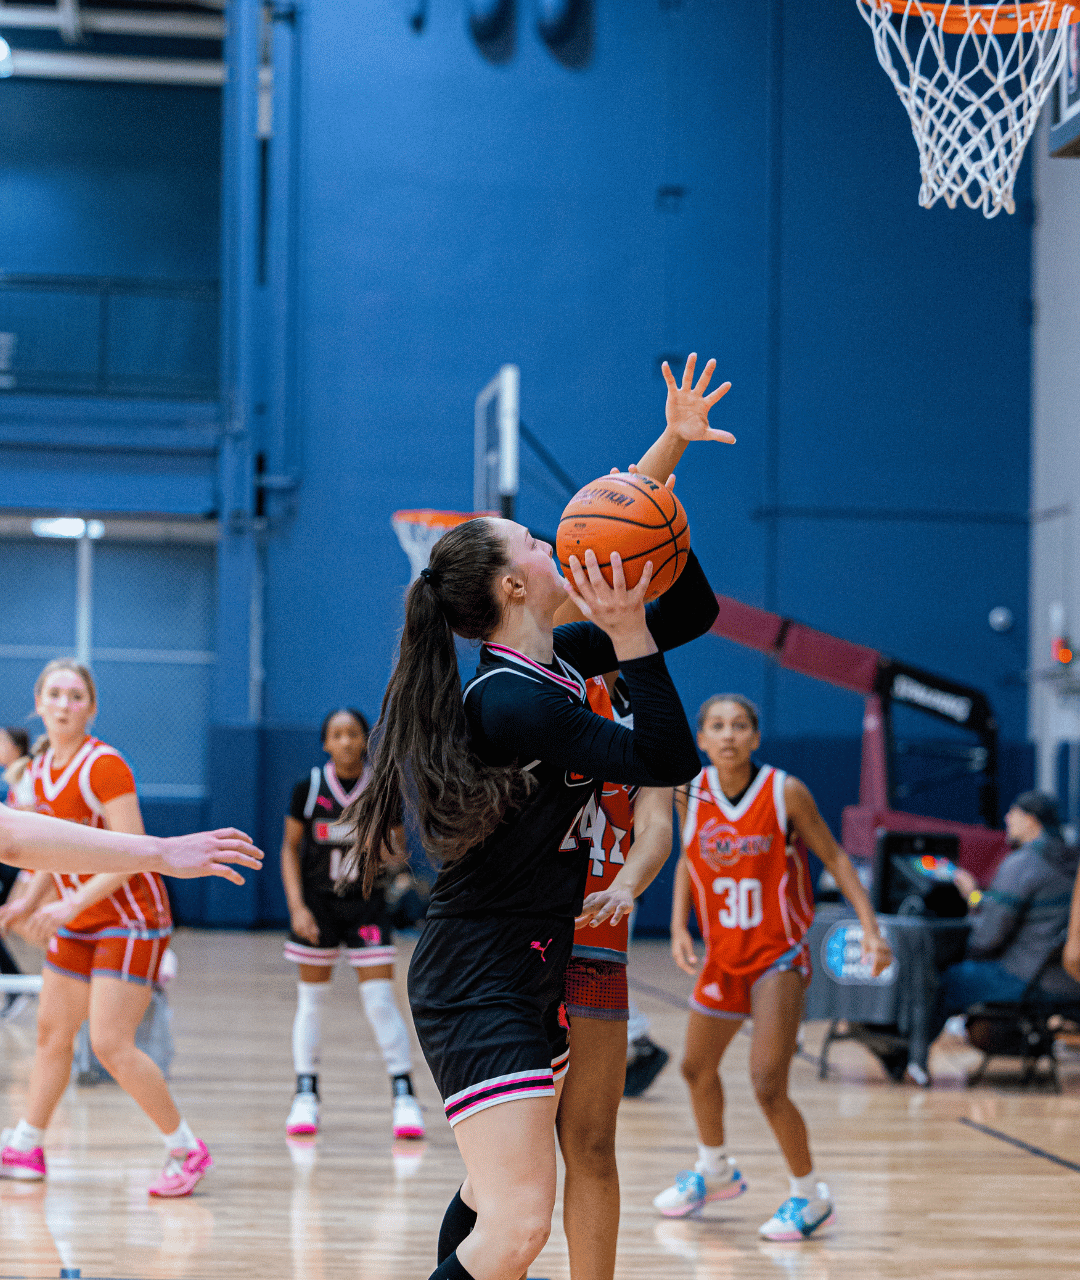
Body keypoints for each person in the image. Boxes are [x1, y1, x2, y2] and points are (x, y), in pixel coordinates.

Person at [343, 353, 728, 1280]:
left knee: (489, 1198)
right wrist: (631, 635)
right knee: (517, 1227)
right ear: (513, 587)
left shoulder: (554, 665)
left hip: (524, 962)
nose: (553, 540)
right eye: (532, 539)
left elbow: (693, 606)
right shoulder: (510, 702)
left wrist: (667, 450)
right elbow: (669, 759)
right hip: (479, 976)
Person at [654, 694, 892, 1241]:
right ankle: (713, 1170)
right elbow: (690, 857)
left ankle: (809, 1198)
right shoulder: (688, 791)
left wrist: (871, 929)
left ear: (756, 738)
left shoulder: (784, 791)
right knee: (694, 1068)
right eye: (718, 726)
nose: (729, 735)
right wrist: (676, 926)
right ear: (702, 738)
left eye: (740, 726)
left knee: (766, 1083)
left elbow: (833, 858)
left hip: (777, 956)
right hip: (722, 953)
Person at [0, 659, 212, 1196]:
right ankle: (27, 1143)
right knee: (52, 1034)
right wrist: (25, 903)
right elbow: (51, 852)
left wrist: (62, 910)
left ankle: (187, 1149)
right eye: (56, 694)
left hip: (130, 917)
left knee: (110, 1043)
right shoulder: (36, 771)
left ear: (91, 708)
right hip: (80, 916)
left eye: (76, 696)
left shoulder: (104, 766)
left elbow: (132, 855)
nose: (65, 705)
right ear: (39, 702)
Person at [280, 707, 424, 1141]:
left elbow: (398, 854)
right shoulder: (308, 789)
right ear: (326, 743)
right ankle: (306, 1093)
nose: (345, 741)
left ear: (365, 740)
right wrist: (296, 908)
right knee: (312, 1001)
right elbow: (288, 849)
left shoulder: (381, 789)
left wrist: (385, 854)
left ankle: (404, 1096)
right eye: (337, 735)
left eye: (353, 734)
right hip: (318, 907)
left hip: (366, 905)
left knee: (381, 1001)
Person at [929, 790, 1080, 1050]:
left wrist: (973, 896)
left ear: (1032, 820)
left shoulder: (1023, 863)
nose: (1007, 818)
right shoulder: (1072, 861)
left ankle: (910, 1058)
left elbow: (987, 938)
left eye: (1014, 813)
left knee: (937, 980)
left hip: (1025, 979)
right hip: (1067, 980)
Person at [1, 726, 34, 809]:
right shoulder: (16, 776)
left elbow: (28, 811)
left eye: (1, 742)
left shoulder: (26, 774)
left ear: (17, 748)